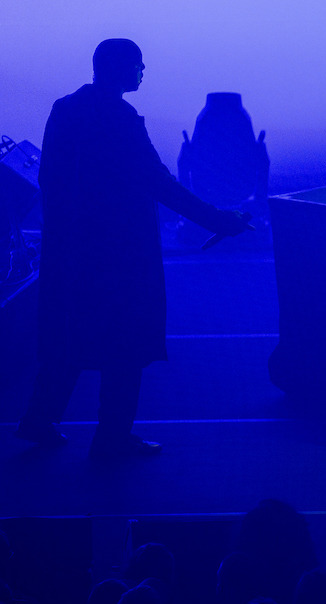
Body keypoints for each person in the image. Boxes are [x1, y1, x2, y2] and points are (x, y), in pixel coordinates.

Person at [15, 39, 251, 458]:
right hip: (119, 255)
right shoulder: (120, 118)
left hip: (70, 252)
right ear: (121, 69)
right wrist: (219, 221)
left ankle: (38, 418)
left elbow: (50, 180)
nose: (144, 71)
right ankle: (111, 438)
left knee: (69, 338)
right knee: (125, 344)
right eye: (139, 64)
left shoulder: (64, 109)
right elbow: (159, 182)